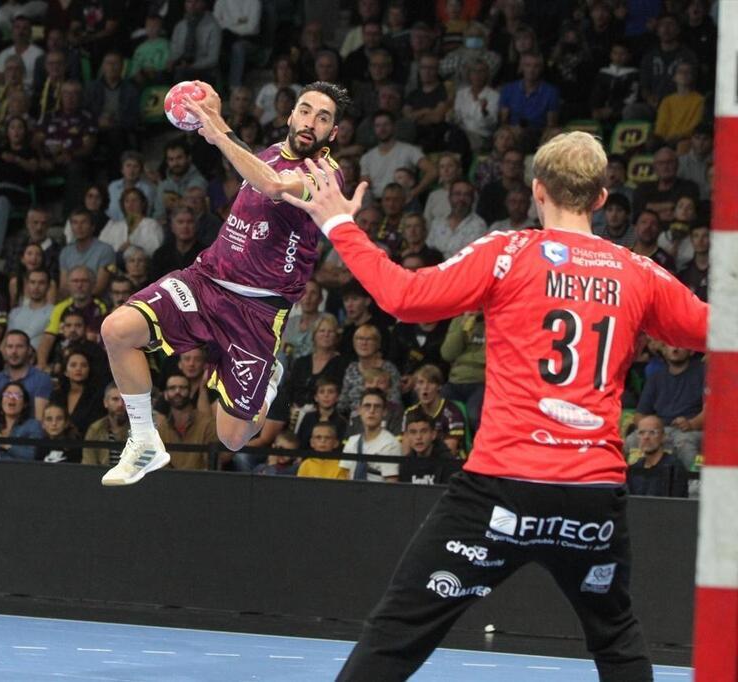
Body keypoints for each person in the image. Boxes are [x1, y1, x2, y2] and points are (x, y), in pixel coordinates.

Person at [281, 131, 708, 681]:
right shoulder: (639, 272)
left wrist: (339, 223)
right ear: (602, 198)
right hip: (592, 496)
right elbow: (718, 329)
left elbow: (404, 299)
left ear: (537, 191)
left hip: (504, 485)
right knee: (617, 638)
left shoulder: (508, 252)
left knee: (398, 636)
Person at [99, 80, 351, 486]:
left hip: (257, 311)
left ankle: (268, 380)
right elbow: (261, 170)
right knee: (116, 329)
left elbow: (272, 185)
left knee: (232, 438)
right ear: (290, 115)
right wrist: (220, 129)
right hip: (206, 282)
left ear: (332, 133)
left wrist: (218, 131)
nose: (311, 123)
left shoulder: (326, 176)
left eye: (323, 118)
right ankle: (144, 439)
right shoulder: (268, 154)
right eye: (305, 111)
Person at [338, 388, 401, 482]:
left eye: (377, 406)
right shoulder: (352, 441)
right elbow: (345, 476)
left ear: (384, 412)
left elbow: (391, 485)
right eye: (367, 406)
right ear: (359, 410)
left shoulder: (391, 444)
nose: (372, 410)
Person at [0, 380, 44, 460]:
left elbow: (32, 455)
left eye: (17, 395)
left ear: (25, 404)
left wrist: (5, 444)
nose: (12, 398)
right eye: (7, 394)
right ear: (1, 401)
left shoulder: (33, 425)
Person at [625, 415, 688, 498]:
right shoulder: (634, 469)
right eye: (641, 433)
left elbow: (676, 505)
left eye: (652, 432)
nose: (646, 437)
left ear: (663, 437)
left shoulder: (674, 468)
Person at [398, 408, 463, 485]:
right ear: (407, 436)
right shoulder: (405, 465)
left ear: (433, 435)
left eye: (424, 431)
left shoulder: (449, 463)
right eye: (413, 432)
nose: (418, 437)